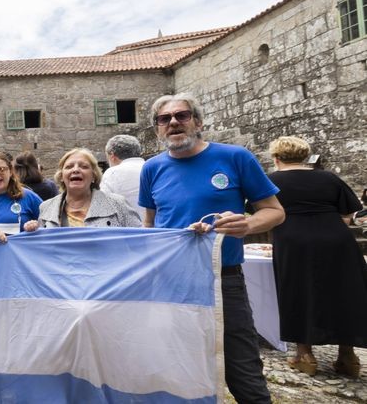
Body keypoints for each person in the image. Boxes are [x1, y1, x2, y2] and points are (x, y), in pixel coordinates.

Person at [139, 93, 284, 403]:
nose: (174, 122)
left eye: (182, 115)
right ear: (157, 129)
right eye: (165, 119)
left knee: (241, 367)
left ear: (198, 122)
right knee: (175, 362)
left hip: (223, 279)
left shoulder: (235, 157)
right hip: (171, 281)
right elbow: (149, 227)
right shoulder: (151, 169)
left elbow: (275, 212)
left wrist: (246, 224)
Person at [267, 136, 366, 377]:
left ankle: (305, 355)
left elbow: (261, 211)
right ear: (304, 156)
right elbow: (347, 213)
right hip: (336, 239)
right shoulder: (328, 177)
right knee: (345, 291)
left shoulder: (270, 181)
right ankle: (347, 356)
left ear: (276, 158)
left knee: (298, 291)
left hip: (294, 240)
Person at [38, 148, 140, 228]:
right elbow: (41, 246)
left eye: (84, 166)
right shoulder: (46, 208)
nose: (76, 170)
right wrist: (32, 231)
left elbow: (139, 240)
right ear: (61, 176)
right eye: (69, 167)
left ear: (94, 176)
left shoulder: (118, 204)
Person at [100, 134, 145, 219]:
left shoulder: (112, 173)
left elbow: (103, 206)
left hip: (127, 229)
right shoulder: (153, 169)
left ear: (112, 156)